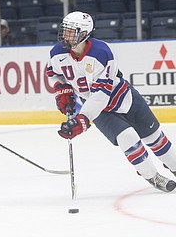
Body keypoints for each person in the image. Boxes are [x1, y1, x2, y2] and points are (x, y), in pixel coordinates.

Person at [46, 11, 176, 192]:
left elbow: (101, 94)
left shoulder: (102, 53)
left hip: (125, 98)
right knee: (127, 137)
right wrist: (62, 89)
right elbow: (53, 74)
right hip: (98, 110)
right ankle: (152, 176)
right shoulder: (57, 53)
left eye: (70, 31)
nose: (64, 35)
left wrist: (82, 118)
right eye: (64, 30)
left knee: (156, 139)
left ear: (84, 34)